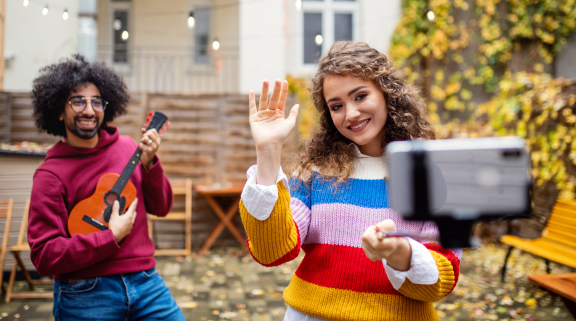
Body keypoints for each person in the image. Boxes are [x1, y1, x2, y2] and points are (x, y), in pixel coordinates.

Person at [239, 41, 461, 321]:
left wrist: (399, 252)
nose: (351, 114)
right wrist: (268, 151)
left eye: (360, 96)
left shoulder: (432, 174)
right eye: (337, 106)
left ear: (386, 93)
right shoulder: (316, 171)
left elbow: (443, 279)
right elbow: (272, 251)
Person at [28, 54, 186, 321]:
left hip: (146, 282)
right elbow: (44, 255)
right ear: (58, 109)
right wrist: (108, 238)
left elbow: (162, 207)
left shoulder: (128, 148)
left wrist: (150, 165)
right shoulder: (50, 175)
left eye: (96, 102)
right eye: (77, 101)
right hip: (85, 292)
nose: (89, 111)